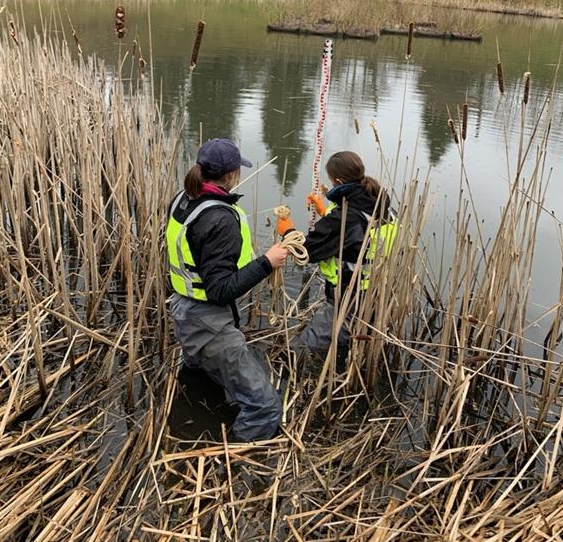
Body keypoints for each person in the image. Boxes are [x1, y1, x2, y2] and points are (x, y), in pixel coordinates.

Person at [166, 138, 288, 442]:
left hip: (184, 308)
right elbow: (220, 291)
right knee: (265, 406)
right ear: (231, 175)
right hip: (207, 321)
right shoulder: (219, 218)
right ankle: (235, 466)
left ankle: (192, 414)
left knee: (200, 368)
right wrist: (267, 263)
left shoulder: (184, 198)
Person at [276, 151, 397, 352]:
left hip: (348, 301)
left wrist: (287, 230)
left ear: (338, 181)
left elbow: (306, 253)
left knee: (296, 350)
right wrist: (325, 211)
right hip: (376, 295)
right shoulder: (382, 206)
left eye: (332, 183)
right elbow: (355, 234)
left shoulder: (344, 220)